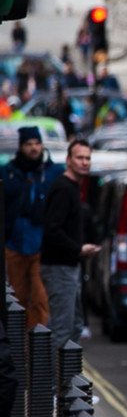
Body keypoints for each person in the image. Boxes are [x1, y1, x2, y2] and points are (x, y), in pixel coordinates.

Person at [41, 138, 99, 350]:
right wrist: (78, 249)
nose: (84, 162)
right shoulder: (63, 188)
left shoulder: (73, 187)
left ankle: (67, 379)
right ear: (68, 160)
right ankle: (55, 382)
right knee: (63, 329)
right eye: (79, 158)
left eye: (87, 158)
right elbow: (52, 229)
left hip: (70, 265)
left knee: (74, 325)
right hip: (59, 267)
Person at [4, 126, 60, 328]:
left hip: (41, 246)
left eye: (37, 143)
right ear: (21, 147)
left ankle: (37, 349)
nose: (34, 148)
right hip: (14, 244)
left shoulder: (52, 172)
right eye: (29, 144)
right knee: (17, 299)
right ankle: (20, 350)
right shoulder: (9, 173)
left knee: (39, 300)